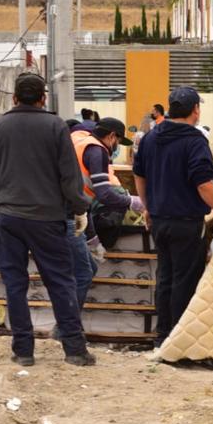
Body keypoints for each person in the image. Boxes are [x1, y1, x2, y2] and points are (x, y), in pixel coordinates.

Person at [0, 72, 95, 366]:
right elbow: (69, 176)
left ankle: (23, 351)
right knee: (61, 282)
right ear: (43, 98)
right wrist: (80, 208)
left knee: (15, 284)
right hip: (47, 218)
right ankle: (75, 350)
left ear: (14, 97)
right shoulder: (55, 126)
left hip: (9, 218)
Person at [133, 86, 213, 348]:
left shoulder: (150, 137)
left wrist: (148, 206)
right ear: (195, 109)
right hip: (186, 222)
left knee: (165, 277)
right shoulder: (195, 141)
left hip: (159, 220)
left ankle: (162, 336)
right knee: (185, 279)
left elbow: (139, 175)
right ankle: (179, 340)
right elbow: (204, 184)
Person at [71, 118, 145, 297]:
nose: (117, 146)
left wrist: (93, 240)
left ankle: (68, 321)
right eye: (118, 141)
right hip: (64, 218)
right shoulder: (98, 151)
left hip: (66, 211)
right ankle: (67, 323)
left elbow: (83, 199)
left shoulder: (78, 140)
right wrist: (134, 202)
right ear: (112, 136)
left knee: (87, 270)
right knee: (84, 273)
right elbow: (104, 194)